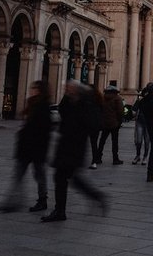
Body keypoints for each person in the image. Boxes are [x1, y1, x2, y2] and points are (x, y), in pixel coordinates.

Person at [41, 80, 108, 222]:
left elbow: (93, 124)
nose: (66, 89)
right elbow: (62, 111)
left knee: (63, 178)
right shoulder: (70, 101)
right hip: (66, 145)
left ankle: (61, 211)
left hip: (75, 147)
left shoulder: (86, 104)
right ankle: (94, 198)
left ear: (77, 90)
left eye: (69, 88)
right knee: (70, 179)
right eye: (66, 87)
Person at [0, 80, 52, 213]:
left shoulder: (43, 106)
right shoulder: (32, 103)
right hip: (26, 147)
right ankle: (12, 202)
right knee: (19, 175)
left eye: (34, 88)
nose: (31, 90)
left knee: (39, 175)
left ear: (40, 90)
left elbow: (44, 130)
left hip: (36, 147)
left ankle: (41, 200)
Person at [97, 85, 124, 165]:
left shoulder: (102, 98)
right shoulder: (117, 98)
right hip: (114, 123)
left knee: (102, 141)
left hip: (105, 123)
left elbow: (100, 109)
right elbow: (120, 111)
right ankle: (115, 159)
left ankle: (98, 157)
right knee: (114, 142)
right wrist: (119, 121)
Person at [131, 97, 150, 166]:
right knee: (138, 141)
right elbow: (134, 110)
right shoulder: (140, 100)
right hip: (140, 122)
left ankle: (145, 157)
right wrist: (134, 113)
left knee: (147, 142)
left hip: (149, 124)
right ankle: (138, 155)